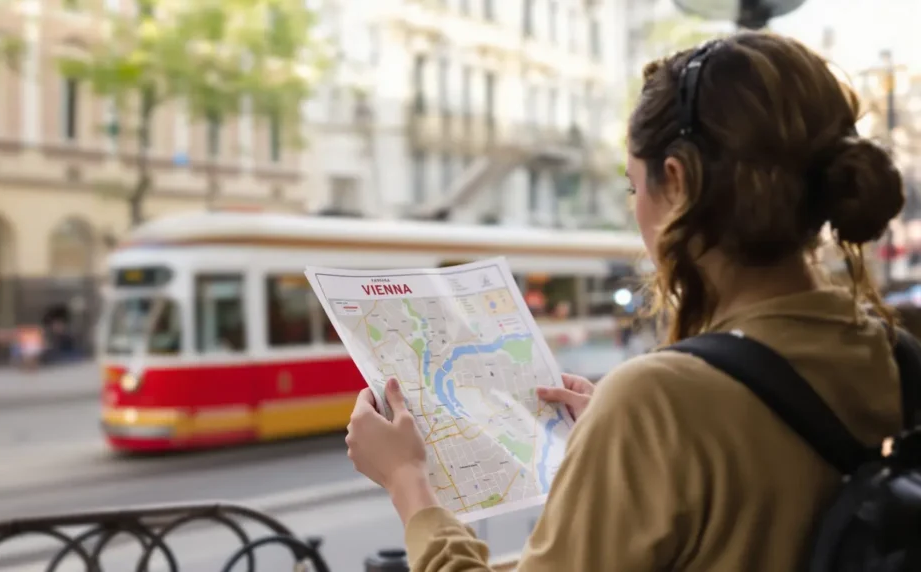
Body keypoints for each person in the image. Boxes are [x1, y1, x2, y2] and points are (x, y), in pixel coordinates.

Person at [344, 30, 907, 571]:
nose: (634, 209)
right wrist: (621, 439)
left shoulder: (659, 406)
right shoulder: (896, 353)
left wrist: (409, 484)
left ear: (677, 182)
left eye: (634, 188)